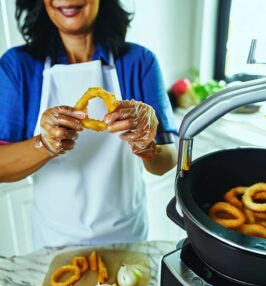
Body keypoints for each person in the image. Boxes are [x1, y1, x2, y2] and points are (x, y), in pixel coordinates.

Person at [0, 0, 178, 250]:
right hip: (54, 240)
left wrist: (147, 145)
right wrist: (46, 144)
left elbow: (168, 159)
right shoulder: (18, 66)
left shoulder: (139, 61)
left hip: (128, 234)